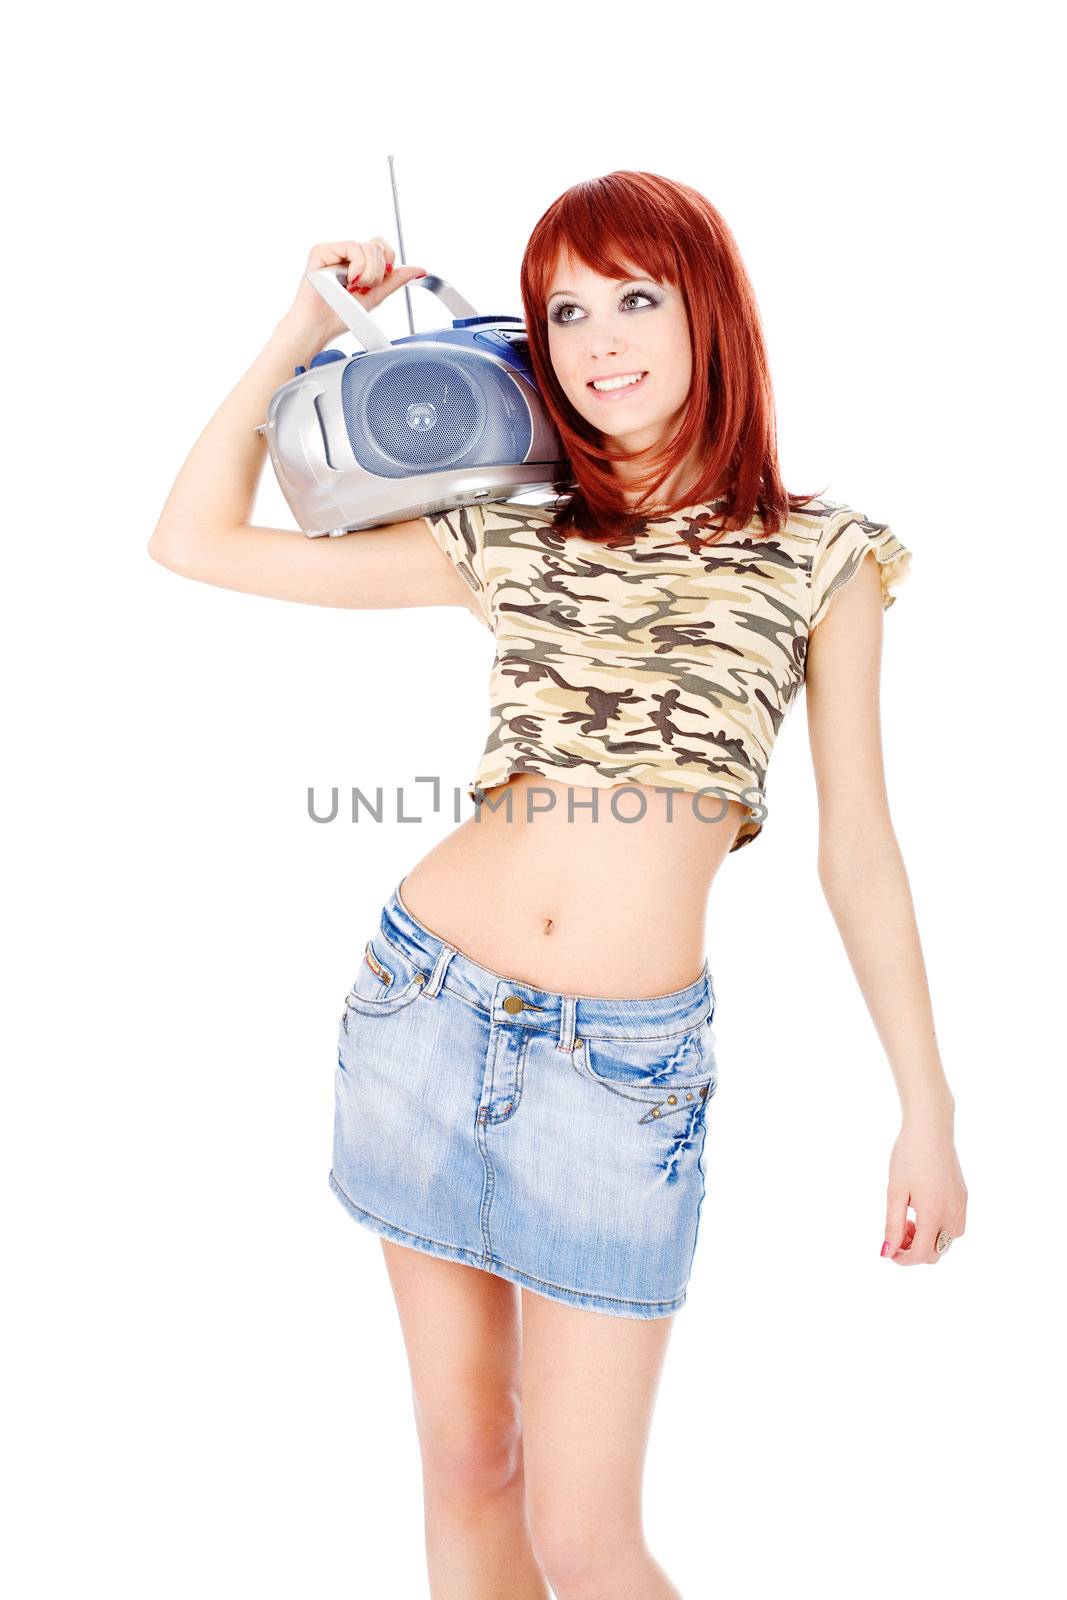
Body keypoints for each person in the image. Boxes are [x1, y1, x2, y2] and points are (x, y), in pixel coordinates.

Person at [148, 171, 968, 1600]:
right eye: (565, 313)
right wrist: (302, 324)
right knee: (471, 1470)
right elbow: (193, 542)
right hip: (423, 1009)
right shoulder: (515, 528)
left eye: (635, 298)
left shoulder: (822, 556)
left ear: (710, 309)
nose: (599, 341)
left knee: (588, 1542)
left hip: (621, 1074)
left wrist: (928, 1108)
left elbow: (860, 852)